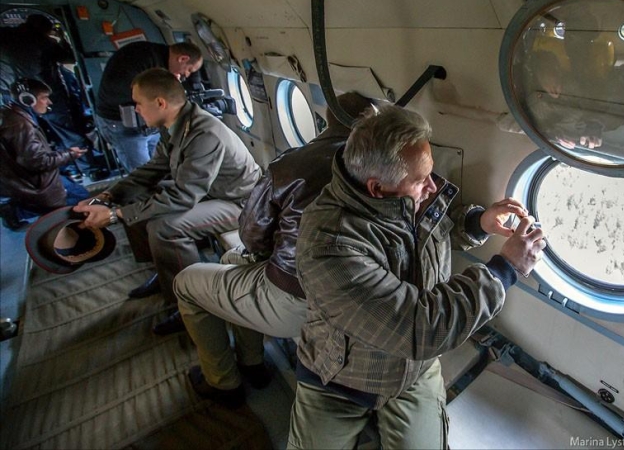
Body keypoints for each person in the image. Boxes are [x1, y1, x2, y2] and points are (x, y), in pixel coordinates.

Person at [287, 104, 546, 449]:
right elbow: (419, 327)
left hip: (413, 371)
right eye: (421, 180)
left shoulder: (402, 195)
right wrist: (506, 269)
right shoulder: (329, 245)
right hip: (340, 377)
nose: (432, 187)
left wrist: (477, 222)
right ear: (378, 189)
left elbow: (427, 230)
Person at [173, 92, 375, 408]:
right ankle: (252, 363)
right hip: (355, 294)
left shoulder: (291, 164)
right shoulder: (384, 172)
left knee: (185, 282)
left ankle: (223, 382)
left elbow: (251, 237)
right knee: (229, 261)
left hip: (296, 301)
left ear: (325, 119)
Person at [74, 68, 261, 335]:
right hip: (211, 192)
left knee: (164, 227)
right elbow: (151, 171)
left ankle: (188, 302)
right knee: (137, 198)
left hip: (242, 203)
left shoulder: (204, 133)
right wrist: (107, 197)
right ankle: (164, 272)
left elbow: (184, 196)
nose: (136, 110)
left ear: (160, 103)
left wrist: (116, 215)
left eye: (138, 103)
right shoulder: (175, 126)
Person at [94, 41, 204, 172]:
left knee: (161, 166)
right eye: (189, 70)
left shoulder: (164, 56)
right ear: (182, 59)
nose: (186, 75)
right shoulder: (142, 59)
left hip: (147, 123)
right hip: (120, 122)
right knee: (143, 172)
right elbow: (131, 92)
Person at [0, 78, 89, 230]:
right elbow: (37, 162)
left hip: (18, 180)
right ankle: (20, 210)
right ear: (28, 100)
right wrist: (69, 154)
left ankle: (15, 208)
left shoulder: (10, 113)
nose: (49, 102)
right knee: (81, 198)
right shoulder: (21, 126)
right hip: (33, 184)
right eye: (44, 97)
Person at [0, 14, 74, 103]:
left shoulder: (4, 33)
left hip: (7, 90)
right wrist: (62, 39)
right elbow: (70, 58)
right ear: (45, 30)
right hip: (41, 93)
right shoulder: (43, 42)